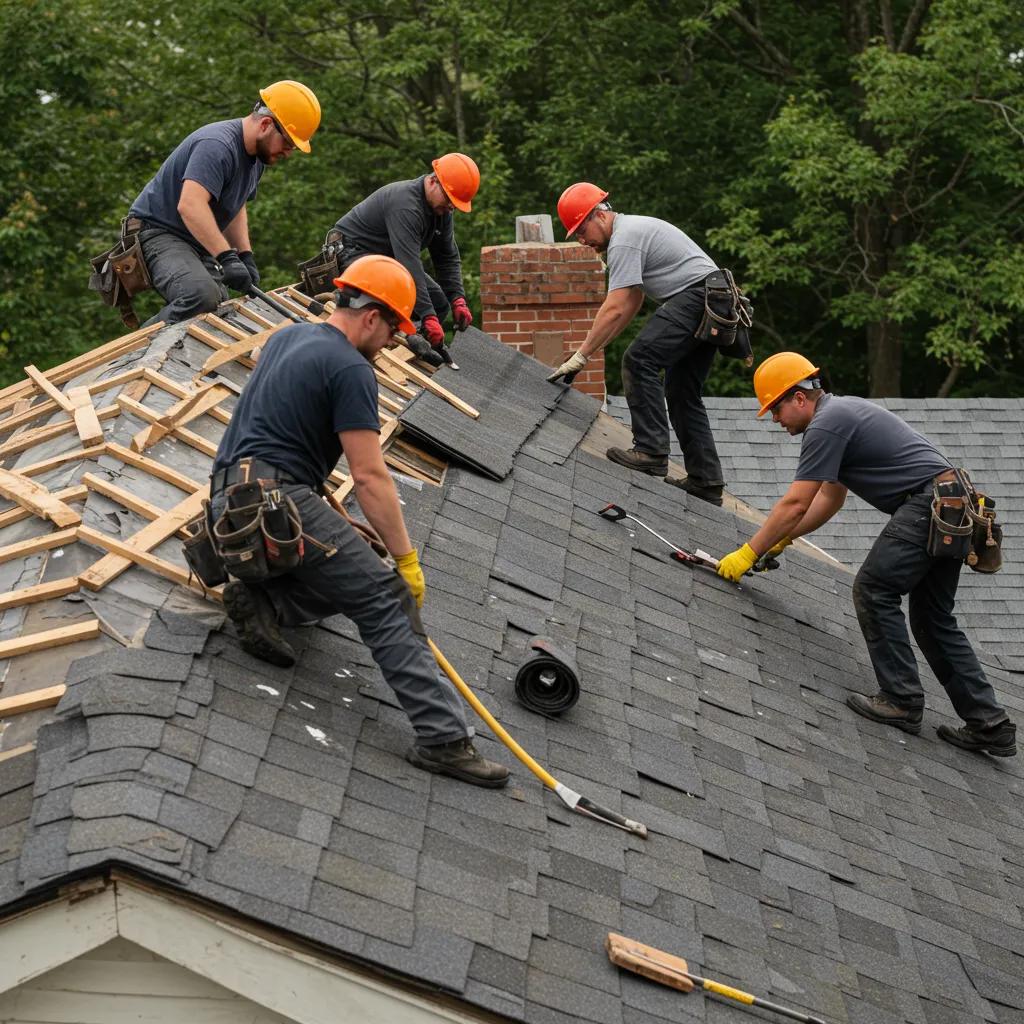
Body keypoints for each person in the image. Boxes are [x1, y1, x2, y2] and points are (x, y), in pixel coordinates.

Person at [209, 254, 509, 788]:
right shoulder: (350, 368)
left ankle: (267, 603)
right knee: (384, 594)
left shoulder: (287, 337)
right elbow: (370, 478)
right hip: (276, 506)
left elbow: (281, 430)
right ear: (371, 314)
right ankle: (443, 739)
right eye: (395, 326)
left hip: (230, 511)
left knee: (354, 565)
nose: (396, 340)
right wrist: (406, 561)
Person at [717, 352, 1017, 757]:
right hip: (952, 503)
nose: (775, 419)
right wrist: (780, 541)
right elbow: (829, 500)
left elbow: (795, 504)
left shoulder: (826, 424)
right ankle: (990, 724)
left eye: (776, 408)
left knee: (874, 588)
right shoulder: (840, 414)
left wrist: (747, 552)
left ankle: (901, 701)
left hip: (928, 504)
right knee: (932, 618)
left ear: (800, 397)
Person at [547, 182, 730, 506]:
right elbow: (630, 302)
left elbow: (616, 306)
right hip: (713, 302)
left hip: (696, 298)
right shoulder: (631, 232)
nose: (581, 240)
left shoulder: (624, 239)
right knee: (681, 391)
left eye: (581, 229)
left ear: (599, 215)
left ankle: (650, 451)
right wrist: (592, 350)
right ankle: (706, 481)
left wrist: (581, 354)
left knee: (638, 360)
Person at [128, 80, 320, 326]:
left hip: (195, 240)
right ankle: (140, 349)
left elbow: (236, 206)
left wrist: (244, 255)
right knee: (199, 296)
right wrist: (227, 257)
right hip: (158, 233)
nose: (288, 152)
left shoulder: (255, 160)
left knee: (219, 309)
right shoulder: (217, 145)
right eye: (288, 143)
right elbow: (190, 205)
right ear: (265, 124)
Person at [330, 154, 479, 366]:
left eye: (455, 204)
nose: (451, 208)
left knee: (439, 304)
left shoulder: (442, 211)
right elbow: (409, 265)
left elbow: (446, 258)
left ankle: (411, 343)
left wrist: (457, 298)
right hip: (351, 254)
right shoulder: (406, 204)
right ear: (433, 181)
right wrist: (427, 316)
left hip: (386, 261)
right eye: (449, 200)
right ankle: (393, 343)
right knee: (412, 304)